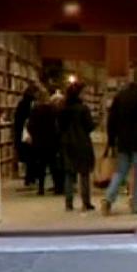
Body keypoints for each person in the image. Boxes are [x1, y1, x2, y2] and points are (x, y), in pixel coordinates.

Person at [102, 73, 137, 216]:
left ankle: (108, 198)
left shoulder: (120, 96)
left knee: (121, 171)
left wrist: (111, 140)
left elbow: (112, 120)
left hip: (123, 141)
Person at [59, 82, 97, 212]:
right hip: (82, 142)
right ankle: (86, 202)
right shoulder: (83, 109)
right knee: (84, 173)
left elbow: (59, 126)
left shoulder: (63, 108)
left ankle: (68, 203)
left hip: (67, 143)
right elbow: (90, 126)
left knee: (69, 173)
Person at [27, 88, 63, 195]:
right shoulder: (54, 109)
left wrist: (34, 135)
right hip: (52, 141)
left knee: (41, 166)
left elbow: (30, 125)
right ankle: (57, 187)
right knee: (53, 165)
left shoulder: (35, 110)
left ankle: (41, 188)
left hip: (39, 141)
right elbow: (58, 125)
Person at [13, 85, 40, 186]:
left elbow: (17, 120)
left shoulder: (21, 103)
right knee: (31, 156)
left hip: (22, 133)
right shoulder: (32, 104)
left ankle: (29, 177)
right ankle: (30, 177)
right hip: (28, 133)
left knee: (28, 156)